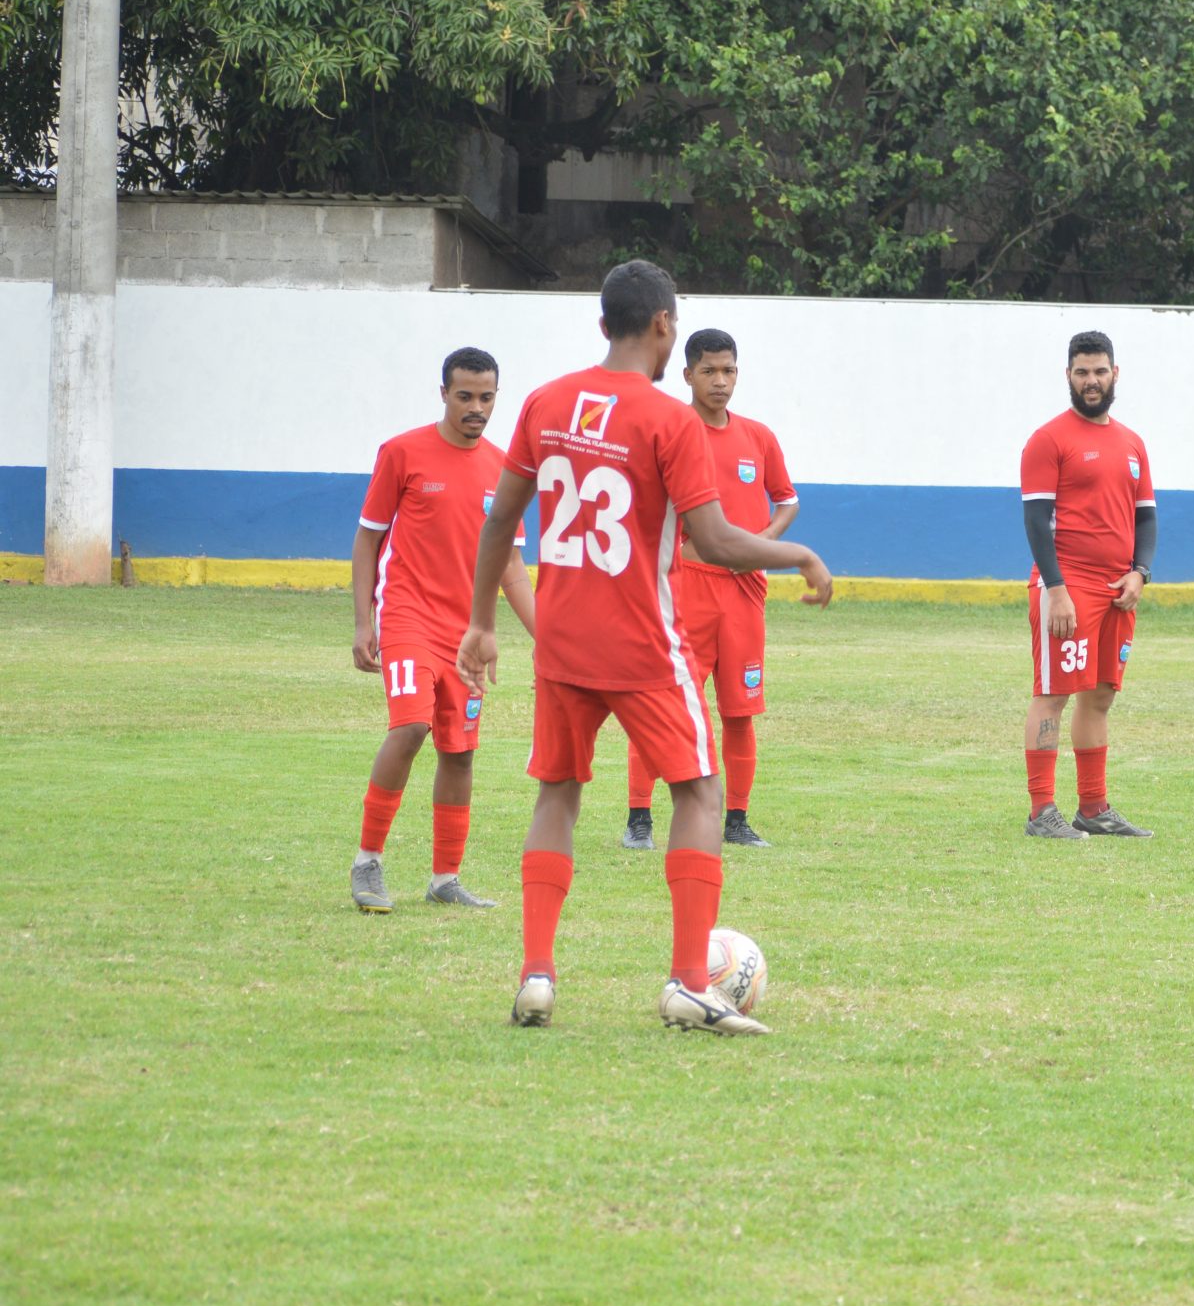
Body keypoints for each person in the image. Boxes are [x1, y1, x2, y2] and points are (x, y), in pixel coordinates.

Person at [458, 261, 834, 1036]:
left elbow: (500, 521)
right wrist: (796, 555)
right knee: (698, 792)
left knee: (556, 794)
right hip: (641, 642)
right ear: (664, 325)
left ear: (604, 325)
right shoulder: (671, 421)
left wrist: (481, 622)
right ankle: (690, 982)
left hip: (560, 641)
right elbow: (717, 540)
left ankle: (536, 975)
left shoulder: (544, 402)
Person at [348, 347, 536, 913]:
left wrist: (548, 637)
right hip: (407, 617)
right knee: (410, 728)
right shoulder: (403, 453)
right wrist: (364, 621)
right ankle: (368, 863)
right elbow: (368, 538)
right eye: (465, 396)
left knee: (460, 751)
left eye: (486, 398)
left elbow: (510, 567)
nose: (476, 408)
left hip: (467, 634)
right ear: (444, 394)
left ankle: (445, 878)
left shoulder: (506, 470)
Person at [621, 328, 800, 852]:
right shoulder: (670, 431)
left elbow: (786, 500)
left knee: (741, 710)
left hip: (744, 592)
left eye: (729, 371)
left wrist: (759, 544)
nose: (720, 382)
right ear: (688, 376)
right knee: (666, 700)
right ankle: (639, 818)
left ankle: (738, 820)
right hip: (687, 588)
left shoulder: (758, 437)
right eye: (709, 372)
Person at [1018, 329, 1157, 840]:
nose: (1091, 381)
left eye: (1100, 371)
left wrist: (1140, 573)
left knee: (1099, 697)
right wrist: (1056, 588)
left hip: (1116, 590)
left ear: (1115, 373)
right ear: (1068, 376)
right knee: (1053, 693)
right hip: (1068, 588)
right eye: (1082, 372)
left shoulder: (1133, 443)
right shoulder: (1049, 440)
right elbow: (1035, 522)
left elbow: (1146, 519)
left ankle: (1093, 808)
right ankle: (1042, 812)